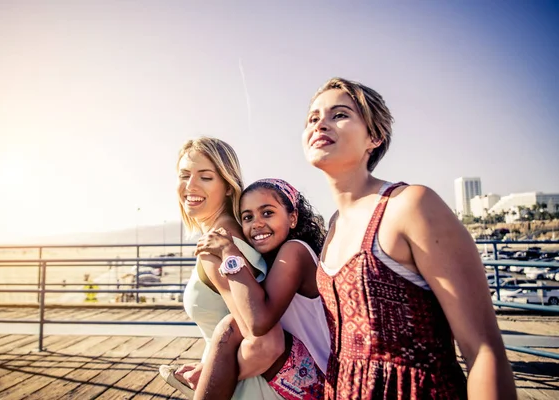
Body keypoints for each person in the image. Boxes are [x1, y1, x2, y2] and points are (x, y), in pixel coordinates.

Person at [302, 77, 517, 399]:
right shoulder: (333, 225)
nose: (321, 124)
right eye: (313, 117)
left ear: (374, 137)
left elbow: (483, 351)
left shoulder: (410, 205)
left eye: (340, 114)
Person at [159, 137, 287, 399]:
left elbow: (265, 345)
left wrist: (210, 376)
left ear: (228, 187)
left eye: (205, 177)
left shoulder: (216, 248)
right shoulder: (238, 235)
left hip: (251, 390)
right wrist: (209, 365)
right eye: (184, 175)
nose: (190, 186)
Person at [193, 178, 330, 399]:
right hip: (303, 373)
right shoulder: (274, 261)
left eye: (267, 213)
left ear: (293, 218)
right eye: (248, 217)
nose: (256, 223)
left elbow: (258, 322)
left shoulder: (295, 252)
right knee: (230, 329)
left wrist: (230, 252)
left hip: (321, 382)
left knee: (229, 328)